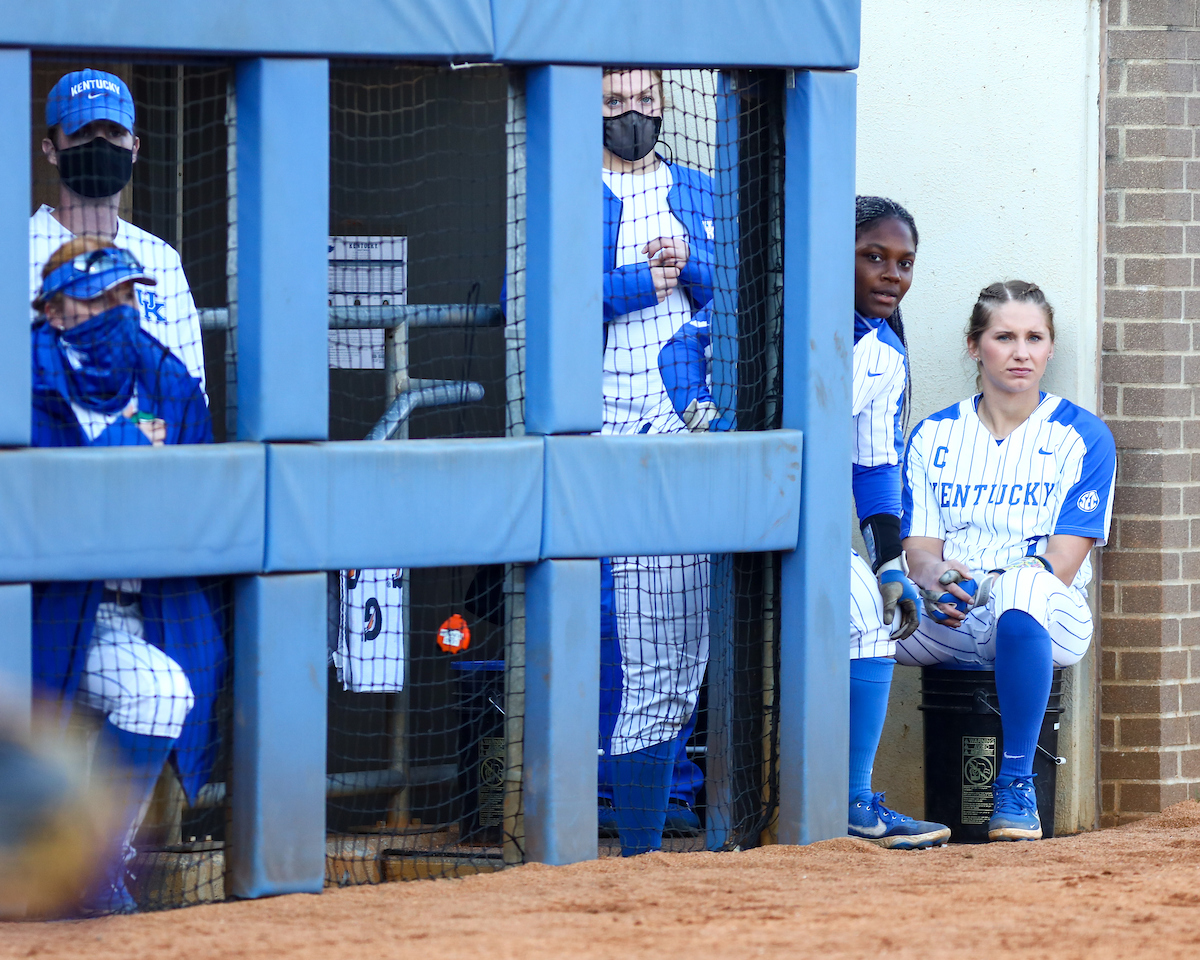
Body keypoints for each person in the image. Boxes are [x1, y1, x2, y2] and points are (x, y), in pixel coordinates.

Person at [31, 236, 225, 911]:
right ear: (53, 312)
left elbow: (204, 504)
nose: (116, 310)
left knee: (164, 689)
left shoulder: (164, 376)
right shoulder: (22, 375)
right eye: (96, 298)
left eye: (124, 296)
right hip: (38, 610)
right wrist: (112, 461)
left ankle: (94, 868)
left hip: (135, 609)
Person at [898, 280, 1116, 841]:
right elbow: (920, 549)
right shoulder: (933, 434)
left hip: (1046, 615)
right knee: (857, 607)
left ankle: (1016, 784)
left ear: (1049, 349)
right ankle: (848, 794)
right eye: (1004, 337)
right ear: (975, 346)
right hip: (951, 612)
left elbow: (1060, 565)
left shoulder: (1083, 435)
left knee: (1022, 591)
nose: (1021, 352)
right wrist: (934, 579)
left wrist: (981, 584)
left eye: (1034, 338)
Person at [597, 67, 715, 855]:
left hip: (688, 426)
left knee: (683, 638)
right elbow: (532, 299)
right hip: (596, 431)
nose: (631, 113)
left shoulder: (701, 186)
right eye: (613, 102)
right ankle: (611, 808)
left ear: (666, 104)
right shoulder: (565, 186)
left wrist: (693, 269)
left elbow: (754, 290)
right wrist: (641, 282)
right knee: (616, 625)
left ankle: (666, 804)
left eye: (643, 100)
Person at [845, 197, 951, 849]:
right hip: (699, 504)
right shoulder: (781, 320)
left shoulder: (885, 352)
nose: (892, 275)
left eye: (904, 262)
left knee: (870, 611)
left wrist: (888, 562)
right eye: (874, 257)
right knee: (674, 666)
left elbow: (876, 466)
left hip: (783, 522)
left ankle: (854, 802)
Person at [31, 69, 207, 394]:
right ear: (51, 150)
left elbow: (192, 391)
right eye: (83, 132)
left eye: (115, 132)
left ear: (135, 147)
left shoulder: (161, 258)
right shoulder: (16, 252)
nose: (101, 145)